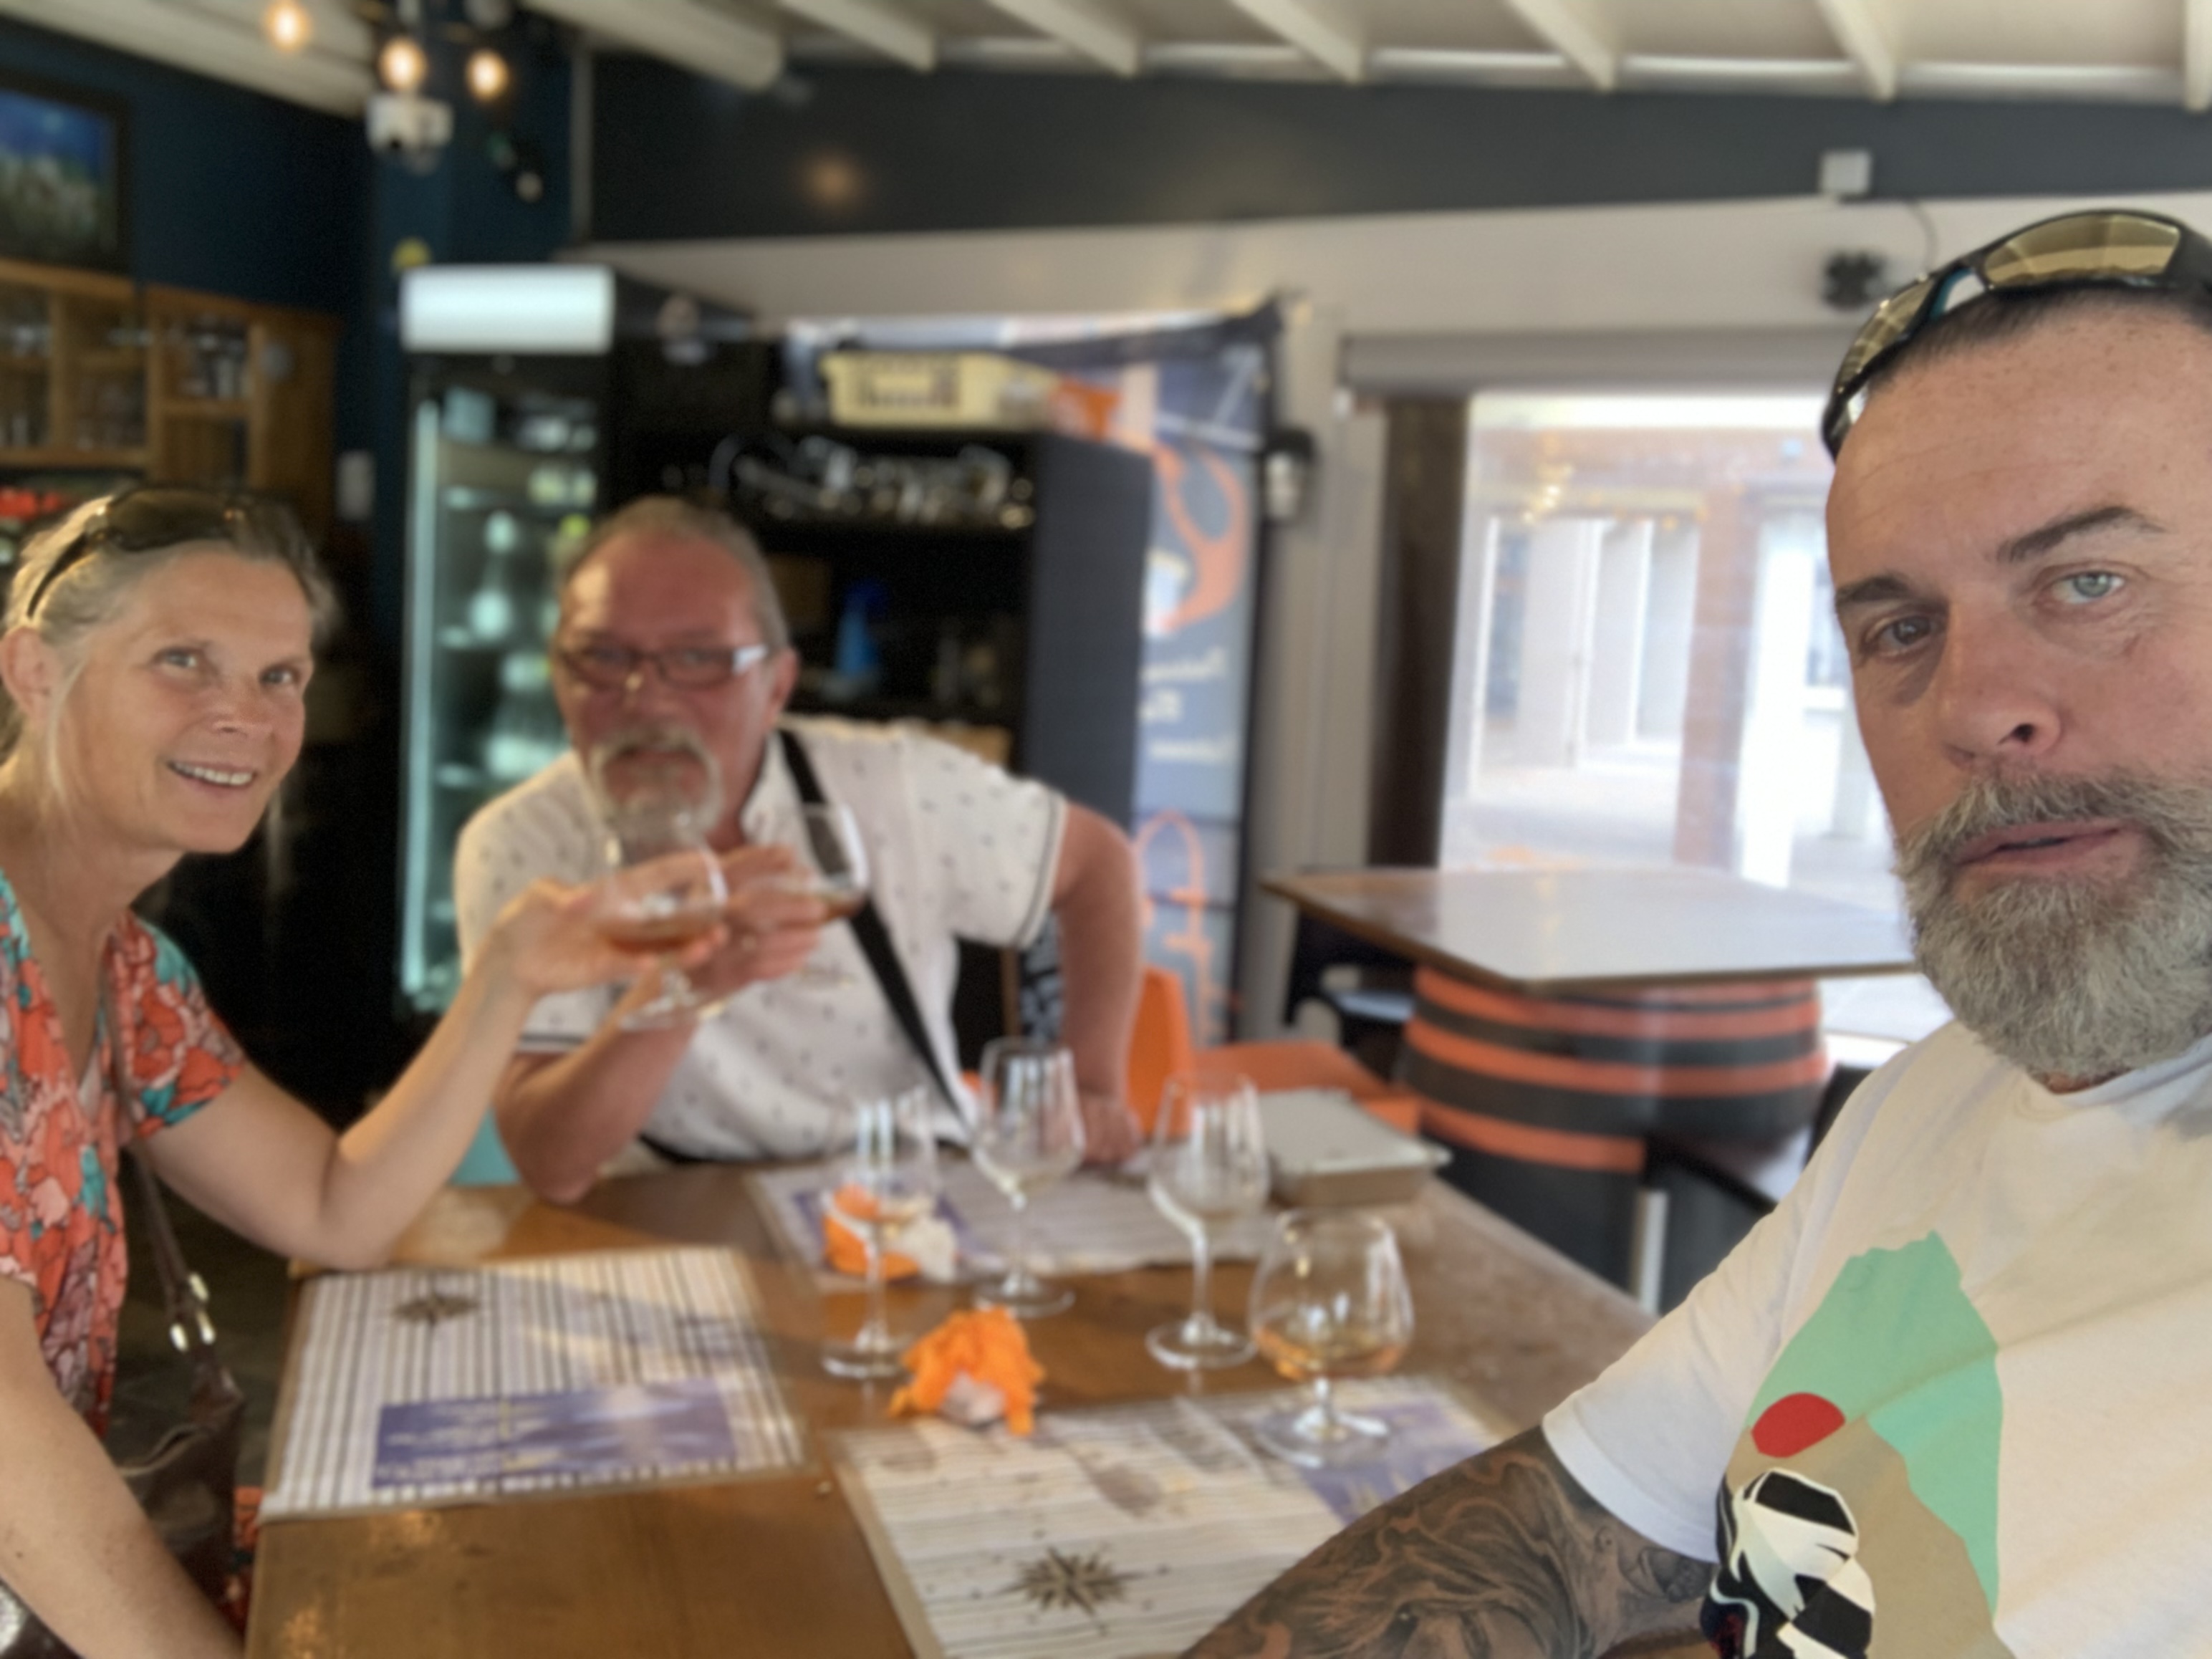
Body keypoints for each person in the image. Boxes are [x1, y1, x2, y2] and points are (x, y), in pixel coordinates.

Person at [1188, 207, 2212, 1659]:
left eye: (2085, 582)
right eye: (1898, 629)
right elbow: (1562, 1528)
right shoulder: (1933, 1102)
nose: (1971, 706)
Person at [0, 489, 698, 1658]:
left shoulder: (127, 972)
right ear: (34, 671)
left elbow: (333, 1208)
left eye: (279, 675)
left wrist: (509, 975)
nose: (246, 715)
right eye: (183, 660)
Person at [454, 496, 1145, 1201]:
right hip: (671, 1212)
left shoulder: (892, 786)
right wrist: (687, 985)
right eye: (603, 657)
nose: (646, 699)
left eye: (698, 658)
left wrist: (1090, 1085)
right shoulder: (526, 845)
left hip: (910, 1194)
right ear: (558, 676)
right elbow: (551, 1162)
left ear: (776, 686)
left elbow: (1098, 864)